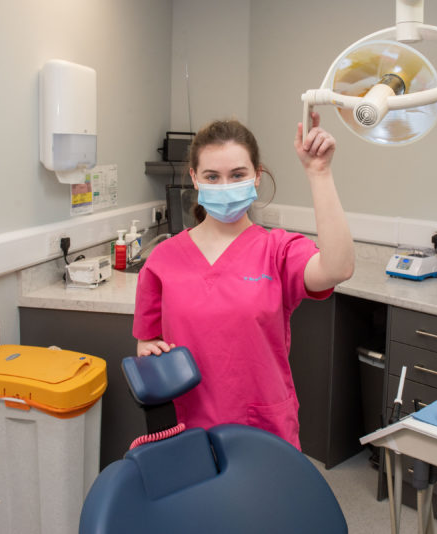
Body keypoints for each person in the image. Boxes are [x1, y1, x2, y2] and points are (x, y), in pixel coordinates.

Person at [132, 112, 354, 450]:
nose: (225, 186)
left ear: (256, 177)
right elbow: (147, 345)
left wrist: (319, 173)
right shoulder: (163, 259)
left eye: (237, 175)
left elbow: (337, 267)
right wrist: (148, 353)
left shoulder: (276, 250)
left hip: (262, 428)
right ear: (194, 178)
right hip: (187, 430)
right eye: (212, 176)